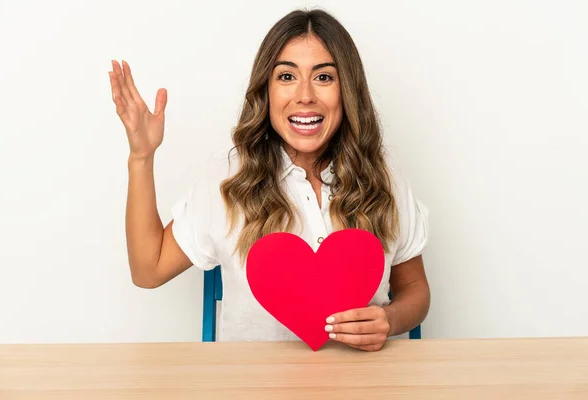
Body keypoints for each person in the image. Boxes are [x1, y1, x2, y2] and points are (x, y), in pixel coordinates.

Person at [108, 8, 430, 352]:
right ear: (266, 89)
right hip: (253, 385)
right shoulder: (226, 180)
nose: (305, 95)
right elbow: (148, 270)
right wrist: (141, 157)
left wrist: (390, 319)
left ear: (347, 90)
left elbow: (415, 290)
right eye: (287, 77)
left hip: (363, 383)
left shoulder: (383, 178)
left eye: (323, 77)